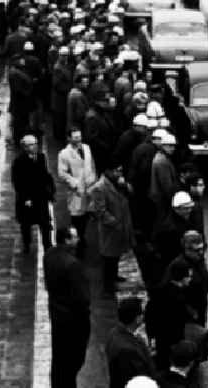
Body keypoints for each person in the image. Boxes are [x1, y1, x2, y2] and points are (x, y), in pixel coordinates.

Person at [43, 226, 91, 388]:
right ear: (67, 240)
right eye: (75, 237)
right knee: (74, 360)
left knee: (59, 358)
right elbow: (83, 298)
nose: (78, 240)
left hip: (57, 314)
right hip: (73, 320)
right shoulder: (73, 265)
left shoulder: (49, 254)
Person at [89, 163, 135, 295]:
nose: (119, 174)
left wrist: (125, 185)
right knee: (109, 259)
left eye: (121, 171)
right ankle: (107, 287)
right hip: (110, 230)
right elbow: (100, 211)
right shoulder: (100, 187)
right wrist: (115, 223)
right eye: (117, 171)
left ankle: (114, 277)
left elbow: (130, 194)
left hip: (121, 227)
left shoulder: (118, 184)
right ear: (108, 171)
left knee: (116, 257)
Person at [57, 127, 97, 259]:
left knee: (86, 215)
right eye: (75, 137)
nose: (78, 139)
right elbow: (62, 174)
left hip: (89, 187)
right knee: (77, 217)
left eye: (79, 136)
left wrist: (94, 181)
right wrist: (74, 183)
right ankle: (77, 240)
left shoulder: (87, 148)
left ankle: (82, 236)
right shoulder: (64, 154)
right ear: (69, 138)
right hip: (76, 191)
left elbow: (91, 165)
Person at [12, 135, 54, 254]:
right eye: (30, 145)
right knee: (26, 224)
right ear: (24, 147)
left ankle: (48, 246)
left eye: (34, 144)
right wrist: (25, 198)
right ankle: (26, 244)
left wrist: (50, 191)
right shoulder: (18, 162)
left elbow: (45, 175)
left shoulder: (41, 157)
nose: (33, 147)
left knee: (45, 224)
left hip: (40, 197)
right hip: (27, 199)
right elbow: (17, 182)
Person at [105, 297, 157, 388]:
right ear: (137, 318)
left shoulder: (114, 332)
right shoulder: (128, 350)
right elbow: (144, 377)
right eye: (142, 313)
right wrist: (144, 348)